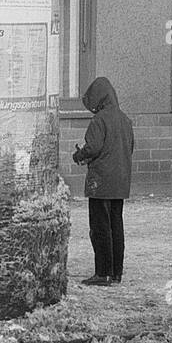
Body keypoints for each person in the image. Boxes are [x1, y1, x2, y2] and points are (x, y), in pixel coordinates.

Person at [72, 77, 134, 286]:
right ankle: (116, 272)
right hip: (120, 181)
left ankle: (103, 273)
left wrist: (79, 155)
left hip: (101, 181)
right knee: (116, 226)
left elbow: (93, 148)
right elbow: (130, 147)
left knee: (100, 227)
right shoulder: (125, 119)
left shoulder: (99, 120)